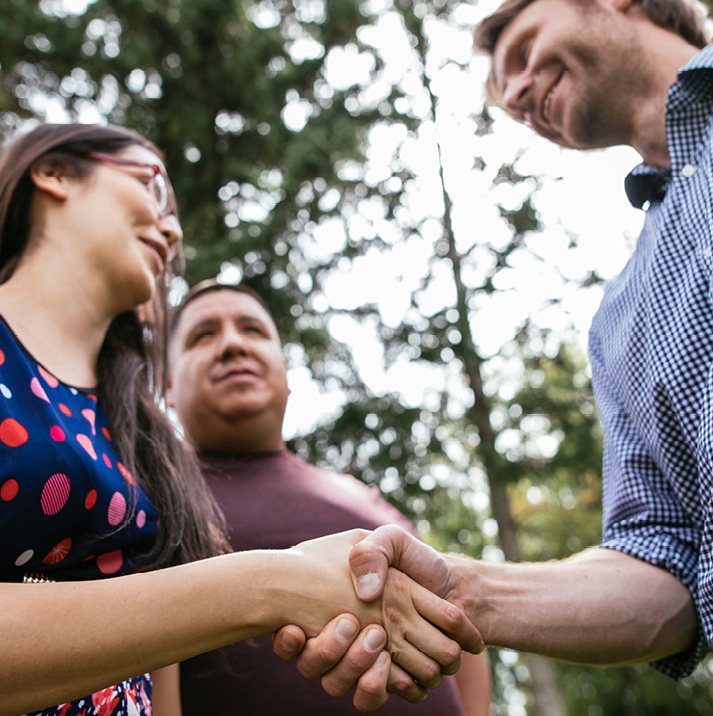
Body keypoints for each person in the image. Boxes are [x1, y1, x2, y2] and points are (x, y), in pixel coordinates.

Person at [276, 0, 713, 716]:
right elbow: (664, 573)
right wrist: (462, 587)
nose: (513, 94)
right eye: (503, 93)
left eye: (522, 50)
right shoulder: (621, 318)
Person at [0, 123, 483, 716]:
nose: (171, 229)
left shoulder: (144, 438)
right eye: (150, 186)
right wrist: (274, 583)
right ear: (51, 173)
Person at [164, 279, 493, 715]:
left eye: (253, 330)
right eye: (203, 335)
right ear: (166, 386)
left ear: (285, 370)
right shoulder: (148, 501)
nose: (231, 345)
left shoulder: (362, 497)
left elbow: (455, 623)